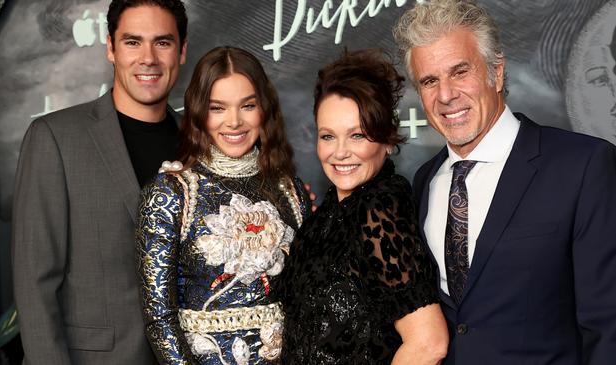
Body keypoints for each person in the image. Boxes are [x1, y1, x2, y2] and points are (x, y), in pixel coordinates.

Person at [394, 0, 616, 364]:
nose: (446, 95)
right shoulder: (424, 181)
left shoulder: (582, 165)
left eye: (460, 71)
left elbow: (608, 326)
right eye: (430, 81)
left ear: (496, 73)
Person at [11, 1, 187, 363]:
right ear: (110, 48)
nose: (148, 58)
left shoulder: (201, 146)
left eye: (163, 42)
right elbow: (34, 284)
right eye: (133, 42)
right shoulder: (55, 138)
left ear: (182, 51)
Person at [136, 46, 312, 364]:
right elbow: (159, 318)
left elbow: (307, 303)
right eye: (218, 108)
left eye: (247, 106)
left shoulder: (290, 189)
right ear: (199, 112)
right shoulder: (172, 192)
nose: (234, 122)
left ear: (264, 109)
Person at [279, 49, 448, 365]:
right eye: (328, 136)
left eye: (357, 135)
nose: (340, 152)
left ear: (386, 140)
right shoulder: (326, 215)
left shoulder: (380, 209)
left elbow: (429, 342)